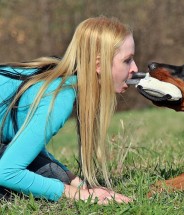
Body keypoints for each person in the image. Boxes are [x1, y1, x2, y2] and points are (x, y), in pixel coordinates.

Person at [0, 16, 138, 204]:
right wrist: (80, 195)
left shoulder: (59, 80)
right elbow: (7, 172)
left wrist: (77, 183)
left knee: (55, 176)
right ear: (98, 65)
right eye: (127, 61)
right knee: (38, 185)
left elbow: (27, 144)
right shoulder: (60, 97)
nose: (135, 69)